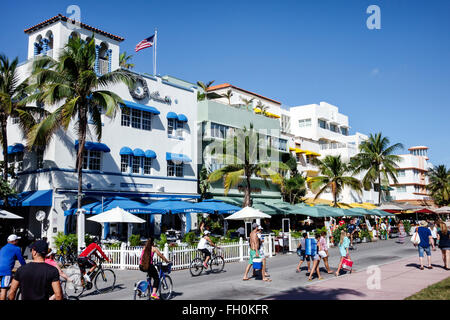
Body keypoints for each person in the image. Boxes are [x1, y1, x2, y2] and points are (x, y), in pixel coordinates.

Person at [0, 234, 27, 300]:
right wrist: (26, 268)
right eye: (17, 240)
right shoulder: (16, 248)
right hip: (6, 271)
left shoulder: (3, 248)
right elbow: (21, 260)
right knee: (4, 289)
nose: (18, 241)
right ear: (13, 241)